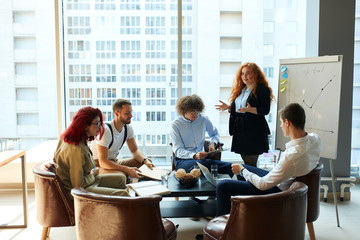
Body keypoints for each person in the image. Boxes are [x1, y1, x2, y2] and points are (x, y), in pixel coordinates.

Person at [216, 103, 321, 216]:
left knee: (222, 185)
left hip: (277, 192)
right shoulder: (315, 139)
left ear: (287, 122)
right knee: (244, 168)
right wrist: (243, 170)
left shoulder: (292, 156)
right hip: (285, 180)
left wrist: (241, 171)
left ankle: (226, 228)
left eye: (281, 122)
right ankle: (246, 216)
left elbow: (263, 184)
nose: (281, 126)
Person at [54, 106, 129, 198]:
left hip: (87, 182)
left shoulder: (67, 139)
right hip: (80, 191)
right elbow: (78, 184)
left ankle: (115, 207)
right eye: (97, 124)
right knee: (123, 194)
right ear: (85, 126)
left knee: (121, 179)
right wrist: (93, 174)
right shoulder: (77, 150)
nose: (100, 127)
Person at [216, 62, 274, 167]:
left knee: (250, 163)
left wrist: (250, 109)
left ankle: (252, 182)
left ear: (255, 74)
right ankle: (248, 182)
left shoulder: (263, 90)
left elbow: (265, 110)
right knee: (245, 161)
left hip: (254, 130)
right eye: (242, 74)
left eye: (248, 73)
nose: (244, 76)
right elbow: (240, 108)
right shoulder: (240, 90)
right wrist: (229, 107)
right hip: (240, 128)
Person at [170, 94, 233, 177]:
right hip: (183, 160)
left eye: (197, 111)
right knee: (207, 166)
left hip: (203, 159)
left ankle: (228, 186)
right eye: (192, 111)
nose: (195, 114)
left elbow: (215, 134)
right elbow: (178, 150)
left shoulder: (203, 120)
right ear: (183, 110)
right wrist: (194, 156)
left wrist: (212, 143)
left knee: (230, 167)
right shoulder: (176, 125)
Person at [91, 99, 155, 179]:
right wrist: (127, 169)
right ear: (116, 114)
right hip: (100, 165)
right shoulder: (106, 131)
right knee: (121, 176)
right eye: (127, 113)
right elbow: (103, 162)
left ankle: (135, 182)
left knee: (146, 163)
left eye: (131, 112)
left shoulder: (128, 128)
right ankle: (127, 177)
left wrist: (146, 161)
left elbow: (135, 151)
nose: (131, 115)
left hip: (114, 161)